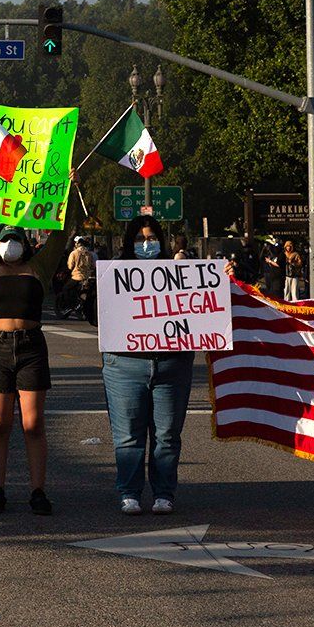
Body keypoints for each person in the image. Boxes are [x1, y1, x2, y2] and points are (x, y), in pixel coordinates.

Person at [0, 161, 79, 515]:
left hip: (31, 348)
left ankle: (37, 491)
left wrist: (71, 190)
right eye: (4, 238)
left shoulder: (40, 267)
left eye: (15, 237)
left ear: (26, 242)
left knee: (33, 424)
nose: (9, 243)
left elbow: (62, 232)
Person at [101, 215, 196, 515]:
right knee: (128, 436)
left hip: (170, 365)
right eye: (140, 239)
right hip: (126, 366)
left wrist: (226, 278)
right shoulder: (113, 273)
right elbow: (97, 317)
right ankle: (129, 492)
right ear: (129, 241)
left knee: (167, 435)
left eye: (151, 238)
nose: (146, 244)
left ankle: (164, 493)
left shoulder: (181, 273)